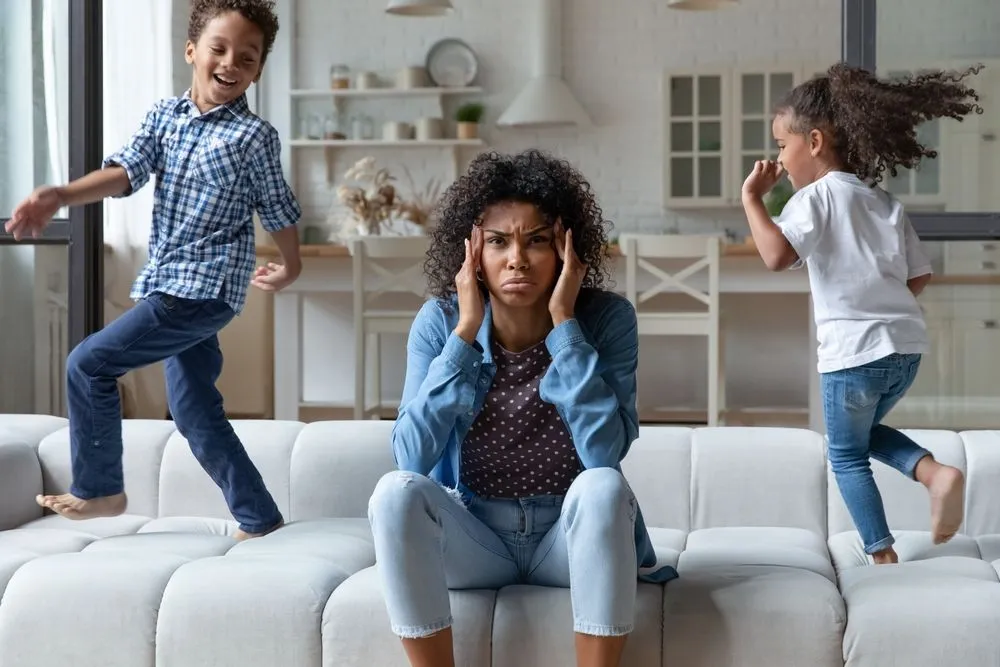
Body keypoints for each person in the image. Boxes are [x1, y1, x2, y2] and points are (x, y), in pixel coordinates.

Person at [4, 0, 300, 541]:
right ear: (192, 51)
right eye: (219, 48)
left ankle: (101, 490)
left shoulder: (254, 137)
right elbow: (124, 173)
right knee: (193, 411)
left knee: (88, 364)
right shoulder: (164, 117)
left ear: (258, 69)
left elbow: (277, 207)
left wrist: (291, 264)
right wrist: (61, 194)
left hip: (204, 289)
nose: (231, 63)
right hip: (170, 280)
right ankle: (260, 519)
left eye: (248, 57)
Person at [367, 149, 675, 667]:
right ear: (472, 253)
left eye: (537, 241)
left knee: (602, 485)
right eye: (498, 241)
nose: (517, 258)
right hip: (476, 538)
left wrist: (564, 326)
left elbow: (604, 453)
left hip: (568, 539)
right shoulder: (440, 322)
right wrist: (464, 335)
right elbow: (410, 458)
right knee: (393, 493)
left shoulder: (606, 320)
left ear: (566, 249)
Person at [740, 63, 983, 564]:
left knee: (846, 454)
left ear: (814, 140)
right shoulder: (882, 201)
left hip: (853, 354)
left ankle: (881, 555)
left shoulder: (815, 199)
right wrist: (881, 304)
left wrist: (751, 199)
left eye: (782, 145)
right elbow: (919, 276)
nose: (779, 160)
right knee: (861, 433)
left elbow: (775, 256)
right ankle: (934, 474)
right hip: (904, 351)